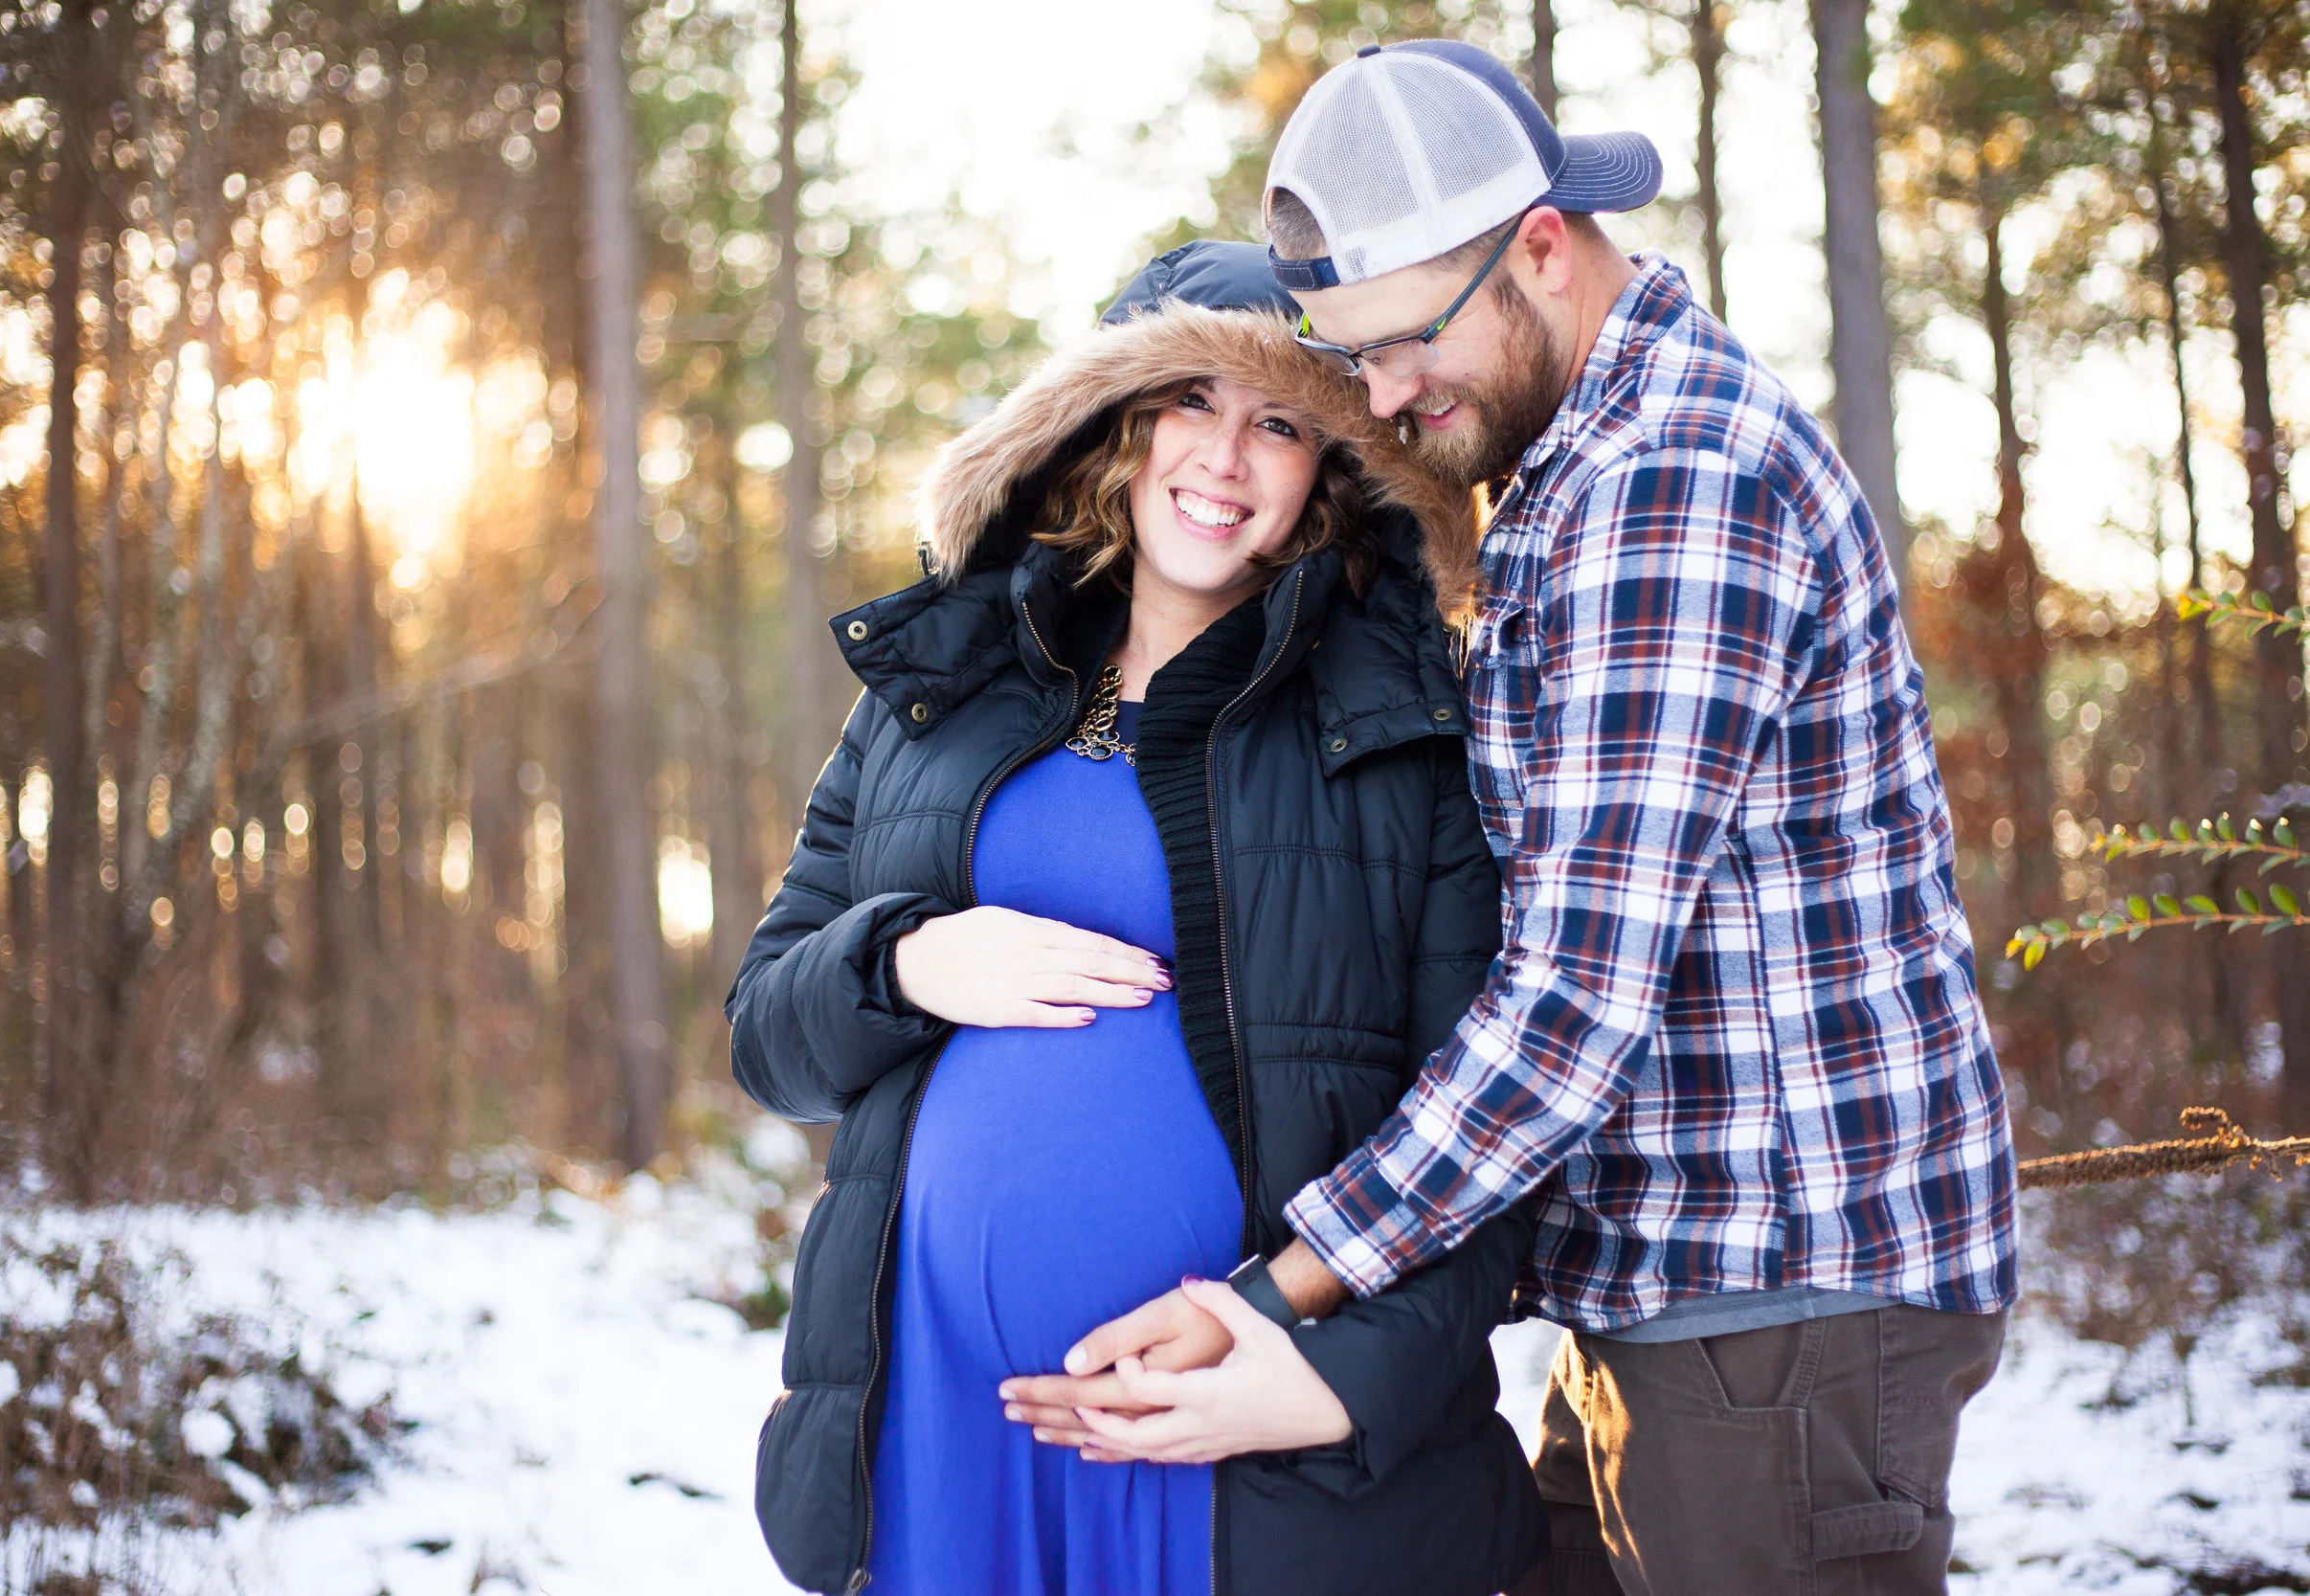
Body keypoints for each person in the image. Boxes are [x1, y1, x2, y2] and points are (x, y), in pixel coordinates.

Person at [1008, 41, 2020, 1596]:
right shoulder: (1572, 467)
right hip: (1668, 1289)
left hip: (1778, 1303)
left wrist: (1287, 1288)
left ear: (1540, 247)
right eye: (1355, 365)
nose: (1389, 398)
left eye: (1405, 343)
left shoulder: (1673, 483)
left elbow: (1573, 997)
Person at [727, 240, 1544, 1596]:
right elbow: (771, 1033)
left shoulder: (1404, 735)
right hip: (947, 1422)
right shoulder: (935, 694)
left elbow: (1498, 1121)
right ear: (1110, 426)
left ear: (1329, 472)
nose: (1225, 458)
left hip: (1242, 1445)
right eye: (1188, 403)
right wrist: (914, 959)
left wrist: (1321, 1381)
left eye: (1278, 421)